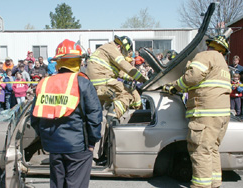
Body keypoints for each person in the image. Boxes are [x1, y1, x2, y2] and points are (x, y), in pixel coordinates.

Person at [31, 39, 102, 188]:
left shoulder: (44, 83)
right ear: (77, 62)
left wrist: (46, 139)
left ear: (58, 62)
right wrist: (92, 142)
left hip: (53, 146)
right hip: (78, 146)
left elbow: (35, 118)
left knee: (57, 184)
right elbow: (94, 115)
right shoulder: (83, 83)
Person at [163, 35, 231, 188]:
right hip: (222, 115)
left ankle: (201, 186)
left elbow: (192, 77)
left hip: (206, 113)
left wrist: (174, 86)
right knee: (211, 149)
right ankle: (214, 184)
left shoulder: (205, 55)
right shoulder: (223, 65)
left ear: (209, 46)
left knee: (199, 150)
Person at [86, 35, 147, 120]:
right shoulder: (112, 49)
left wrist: (131, 78)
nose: (123, 55)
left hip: (93, 85)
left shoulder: (103, 49)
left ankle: (97, 124)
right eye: (123, 52)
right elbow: (125, 66)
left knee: (97, 107)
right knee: (127, 94)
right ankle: (113, 115)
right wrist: (143, 79)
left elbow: (120, 73)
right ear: (119, 47)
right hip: (103, 81)